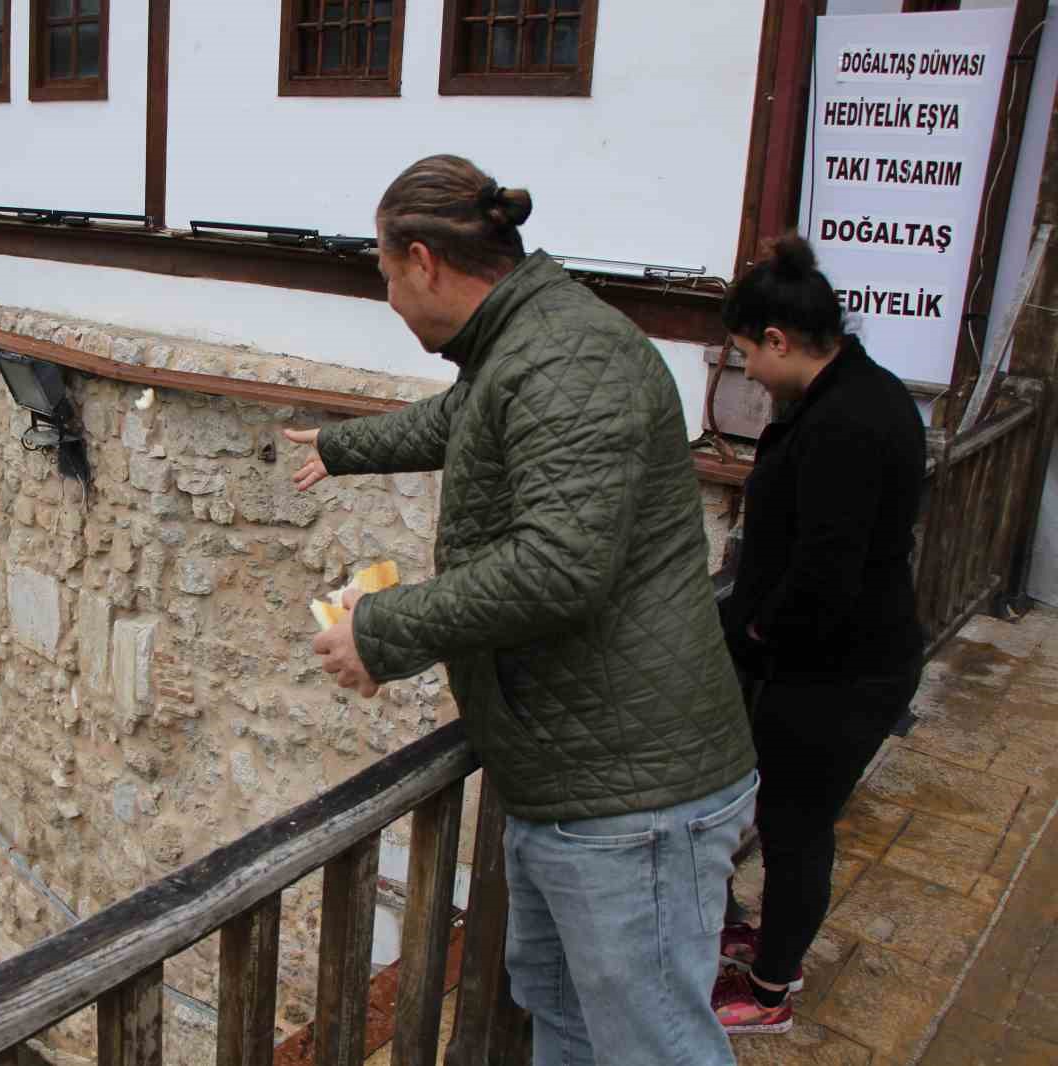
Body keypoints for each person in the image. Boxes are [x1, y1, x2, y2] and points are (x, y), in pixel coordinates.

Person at [284, 154, 757, 1066]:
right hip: (581, 781)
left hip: (635, 798)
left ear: (422, 260)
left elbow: (558, 566)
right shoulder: (526, 340)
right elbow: (463, 421)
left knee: (653, 1047)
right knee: (568, 1020)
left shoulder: (568, 355)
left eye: (384, 275)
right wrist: (343, 448)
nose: (387, 297)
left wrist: (382, 633)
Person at [711, 236, 926, 1035]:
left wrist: (759, 633)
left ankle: (769, 992)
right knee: (790, 819)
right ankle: (768, 948)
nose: (747, 372)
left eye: (744, 354)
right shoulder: (863, 393)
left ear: (777, 339)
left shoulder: (846, 423)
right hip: (836, 663)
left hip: (837, 672)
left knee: (797, 829)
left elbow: (826, 572)